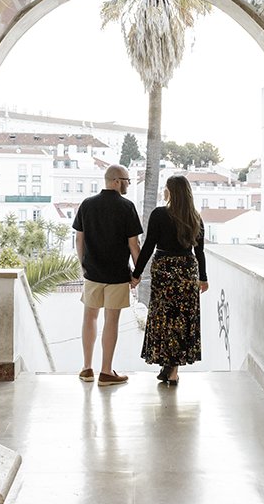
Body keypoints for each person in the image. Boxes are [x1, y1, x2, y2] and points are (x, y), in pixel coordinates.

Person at [130, 174, 208, 387]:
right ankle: (171, 370)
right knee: (182, 319)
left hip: (164, 269)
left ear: (171, 192)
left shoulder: (159, 214)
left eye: (166, 187)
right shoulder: (195, 217)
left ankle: (169, 367)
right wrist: (203, 278)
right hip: (187, 270)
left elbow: (147, 247)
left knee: (163, 317)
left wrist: (136, 274)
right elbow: (199, 251)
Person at [73, 164, 143, 386]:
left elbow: (79, 239)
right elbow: (134, 244)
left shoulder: (87, 204)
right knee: (111, 321)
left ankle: (86, 368)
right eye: (127, 180)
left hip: (92, 273)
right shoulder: (127, 207)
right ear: (116, 180)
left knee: (89, 317)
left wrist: (83, 264)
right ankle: (106, 372)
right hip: (117, 275)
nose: (128, 184)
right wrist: (137, 272)